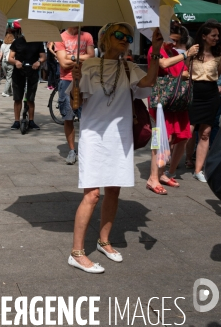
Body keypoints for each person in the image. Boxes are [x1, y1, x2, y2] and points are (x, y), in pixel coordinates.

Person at [68, 23, 161, 274]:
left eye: (128, 37)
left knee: (113, 190)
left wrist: (156, 50)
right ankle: (77, 252)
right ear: (104, 39)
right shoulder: (86, 66)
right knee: (92, 194)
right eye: (118, 35)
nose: (124, 39)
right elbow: (75, 103)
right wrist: (75, 83)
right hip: (93, 136)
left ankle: (104, 241)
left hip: (119, 137)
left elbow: (150, 80)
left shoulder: (128, 67)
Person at [144, 25, 198, 194]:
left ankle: (164, 173)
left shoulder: (175, 52)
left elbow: (184, 73)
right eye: (171, 39)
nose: (172, 43)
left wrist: (186, 62)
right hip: (161, 100)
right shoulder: (155, 48)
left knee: (182, 136)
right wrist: (186, 55)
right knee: (159, 137)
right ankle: (153, 177)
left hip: (176, 100)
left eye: (175, 40)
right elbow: (163, 64)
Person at [185, 22, 221, 182]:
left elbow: (218, 74)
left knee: (205, 133)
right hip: (193, 92)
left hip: (211, 94)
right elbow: (183, 70)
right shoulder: (192, 52)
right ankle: (179, 160)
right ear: (204, 36)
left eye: (218, 36)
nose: (217, 38)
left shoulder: (219, 55)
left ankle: (198, 170)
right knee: (187, 131)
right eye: (214, 35)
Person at [55, 26, 95, 164]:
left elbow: (91, 57)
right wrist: (80, 58)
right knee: (68, 116)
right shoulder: (60, 37)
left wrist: (70, 56)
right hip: (66, 81)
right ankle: (72, 150)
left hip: (85, 80)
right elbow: (63, 63)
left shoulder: (87, 36)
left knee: (87, 116)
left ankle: (87, 148)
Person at [7, 35, 46, 130]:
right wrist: (16, 62)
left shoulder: (38, 42)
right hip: (19, 72)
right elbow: (10, 58)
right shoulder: (17, 42)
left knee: (31, 98)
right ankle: (16, 121)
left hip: (32, 71)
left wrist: (39, 62)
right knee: (17, 98)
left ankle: (31, 120)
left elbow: (43, 56)